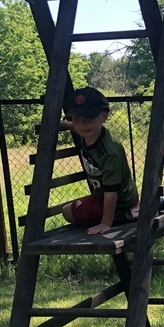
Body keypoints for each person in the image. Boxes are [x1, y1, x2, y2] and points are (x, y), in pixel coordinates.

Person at [59, 87, 140, 235]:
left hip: (120, 200)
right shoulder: (90, 133)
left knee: (67, 212)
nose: (82, 124)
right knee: (67, 211)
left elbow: (111, 191)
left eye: (89, 119)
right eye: (77, 119)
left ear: (104, 117)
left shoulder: (108, 152)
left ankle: (127, 214)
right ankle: (132, 210)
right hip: (103, 196)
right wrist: (64, 124)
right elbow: (78, 128)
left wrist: (105, 223)